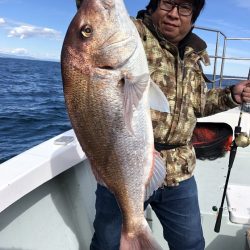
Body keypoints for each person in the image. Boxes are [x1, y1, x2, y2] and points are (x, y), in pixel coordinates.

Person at [75, 0, 250, 249]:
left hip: (180, 170)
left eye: (184, 8)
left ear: (193, 17)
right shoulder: (133, 34)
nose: (174, 14)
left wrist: (232, 95)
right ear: (152, 7)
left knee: (190, 245)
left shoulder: (193, 54)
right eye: (167, 3)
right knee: (106, 243)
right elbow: (94, 18)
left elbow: (197, 103)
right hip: (124, 165)